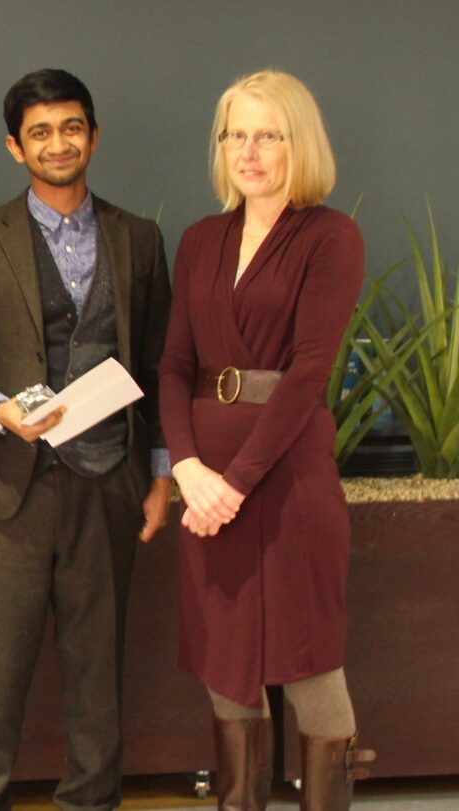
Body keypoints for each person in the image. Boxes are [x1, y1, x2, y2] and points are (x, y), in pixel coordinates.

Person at [0, 68, 173, 811]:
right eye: (40, 132)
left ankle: (92, 802)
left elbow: (160, 363)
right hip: (7, 490)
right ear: (15, 147)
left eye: (71, 127)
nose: (58, 143)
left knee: (97, 675)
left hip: (109, 483)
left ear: (94, 135)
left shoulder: (138, 237)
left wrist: (161, 475)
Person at [159, 69, 375, 810]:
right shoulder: (199, 239)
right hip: (206, 483)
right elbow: (175, 366)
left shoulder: (330, 236)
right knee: (228, 665)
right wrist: (189, 468)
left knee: (309, 658)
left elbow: (310, 372)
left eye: (268, 135)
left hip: (287, 485)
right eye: (236, 135)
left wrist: (234, 483)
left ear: (298, 143)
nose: (249, 151)